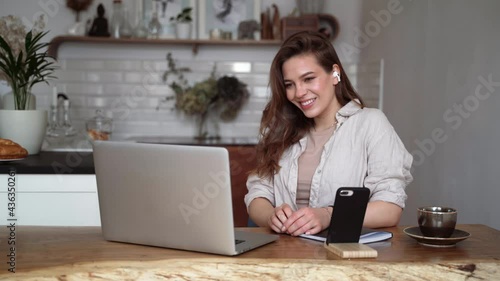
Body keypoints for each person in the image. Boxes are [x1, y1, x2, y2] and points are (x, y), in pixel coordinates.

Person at [244, 31, 413, 236]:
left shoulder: (371, 123)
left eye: (308, 79)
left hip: (342, 258)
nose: (299, 93)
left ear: (335, 73)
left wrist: (328, 215)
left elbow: (390, 208)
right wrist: (271, 216)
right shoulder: (282, 131)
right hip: (284, 256)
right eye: (290, 84)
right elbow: (257, 195)